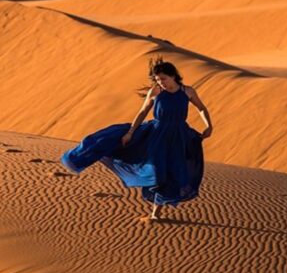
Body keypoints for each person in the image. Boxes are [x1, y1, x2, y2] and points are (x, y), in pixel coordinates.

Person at [60, 55, 213, 222]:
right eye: (157, 79)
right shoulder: (155, 92)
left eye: (163, 79)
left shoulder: (188, 91)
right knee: (156, 170)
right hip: (157, 136)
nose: (160, 82)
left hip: (178, 137)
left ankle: (157, 212)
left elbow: (202, 108)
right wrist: (131, 132)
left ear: (173, 76)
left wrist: (208, 126)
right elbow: (142, 112)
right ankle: (79, 157)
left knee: (173, 173)